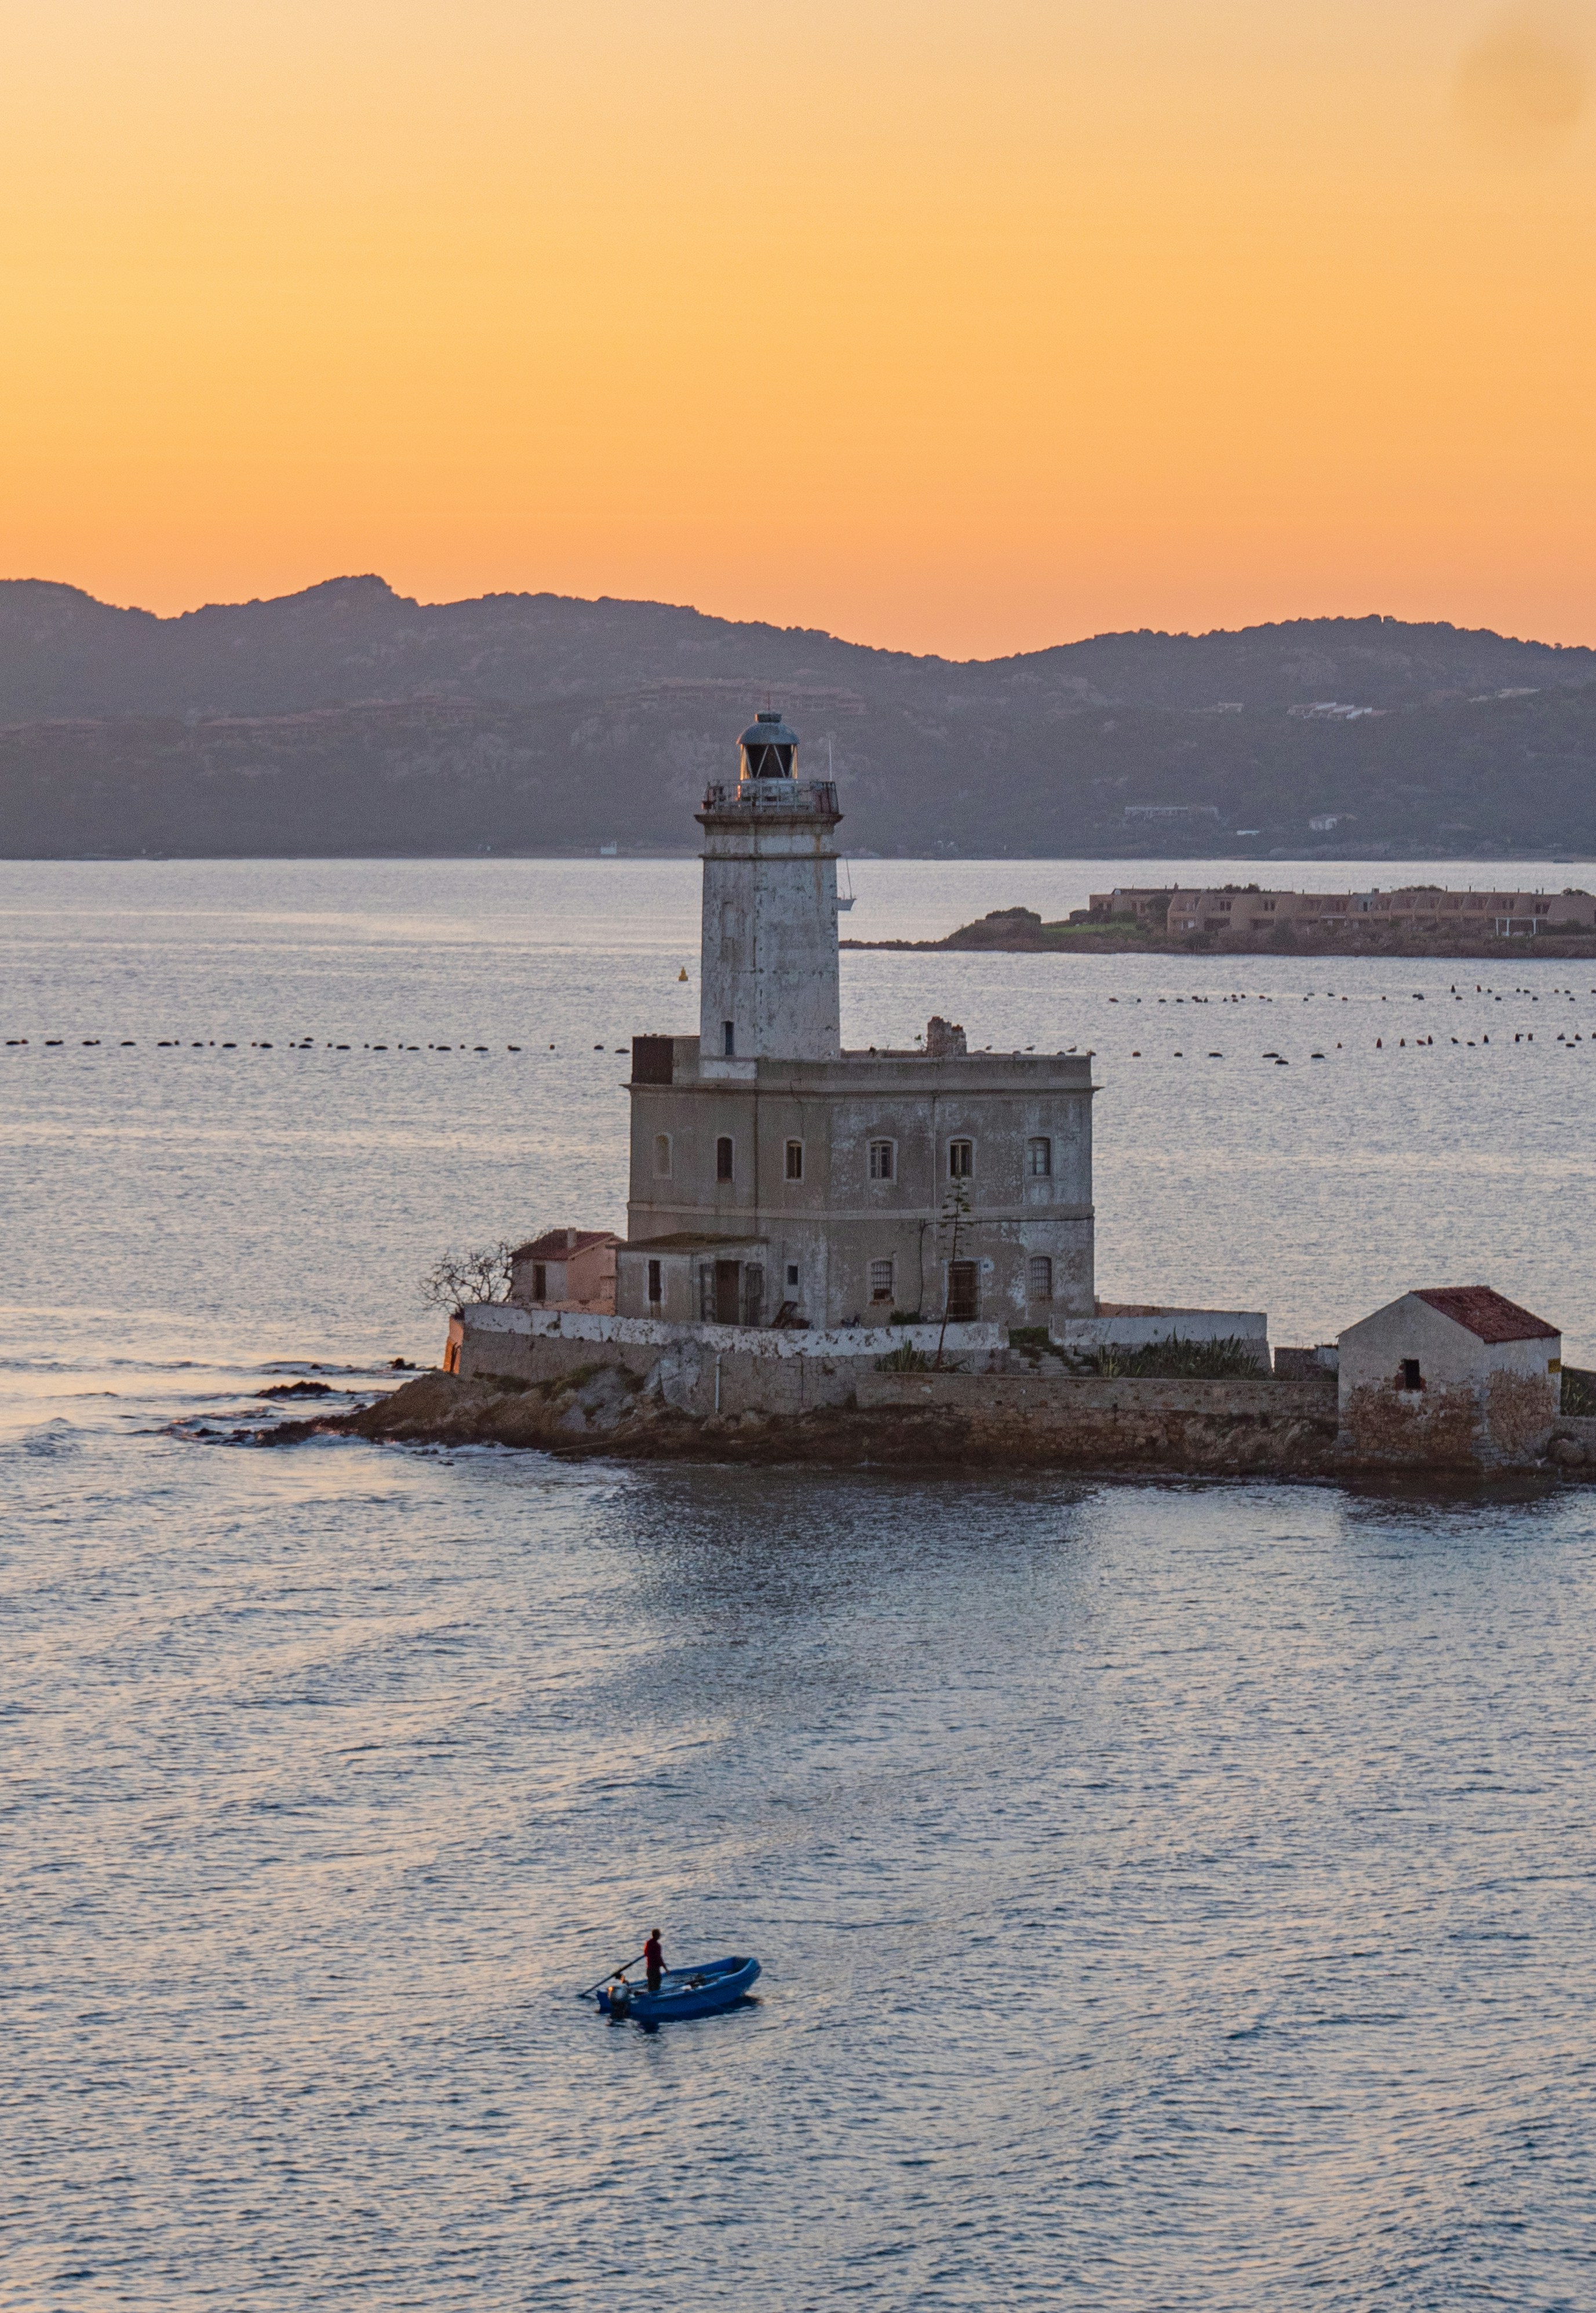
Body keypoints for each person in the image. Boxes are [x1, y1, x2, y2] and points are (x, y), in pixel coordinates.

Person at [643, 1928, 665, 1994]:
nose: (660, 1936)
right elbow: (659, 1958)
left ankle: (651, 1997)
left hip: (649, 1969)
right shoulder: (657, 1946)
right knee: (656, 1986)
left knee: (651, 1986)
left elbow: (646, 1953)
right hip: (655, 1970)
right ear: (657, 1936)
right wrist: (665, 1968)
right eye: (659, 1935)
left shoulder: (648, 1943)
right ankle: (656, 1998)